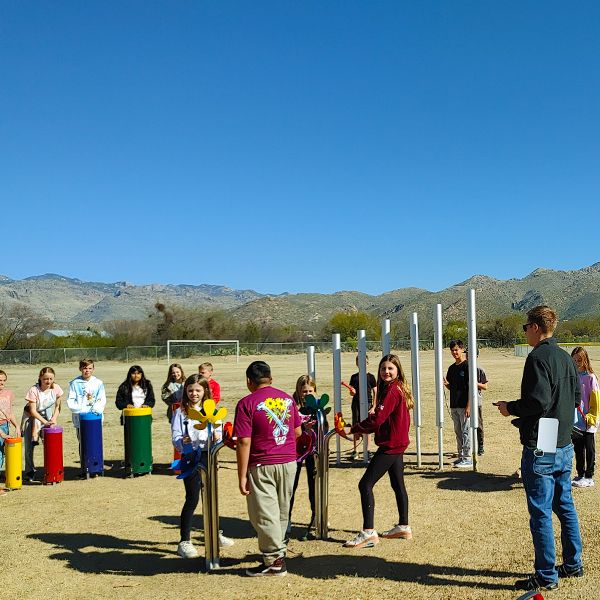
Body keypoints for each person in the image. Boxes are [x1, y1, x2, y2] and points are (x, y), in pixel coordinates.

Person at [496, 306, 583, 592]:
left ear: (534, 327)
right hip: (564, 440)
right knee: (565, 505)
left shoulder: (537, 358)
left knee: (541, 511)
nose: (525, 332)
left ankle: (546, 575)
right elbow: (576, 398)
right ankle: (573, 563)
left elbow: (538, 401)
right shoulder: (566, 358)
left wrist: (511, 409)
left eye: (525, 327)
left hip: (543, 441)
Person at [234, 361, 302, 576]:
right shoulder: (287, 399)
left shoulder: (247, 403)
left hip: (262, 463)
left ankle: (274, 559)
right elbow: (298, 431)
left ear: (249, 382)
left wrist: (242, 474)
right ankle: (277, 553)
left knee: (263, 513)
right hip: (289, 462)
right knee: (281, 511)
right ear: (270, 379)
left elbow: (243, 441)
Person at [342, 354, 413, 549]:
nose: (386, 372)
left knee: (365, 484)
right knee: (398, 484)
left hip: (391, 445)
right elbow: (382, 418)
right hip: (396, 442)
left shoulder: (392, 390)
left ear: (398, 370)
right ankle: (403, 526)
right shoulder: (394, 388)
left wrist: (353, 428)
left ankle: (368, 532)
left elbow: (377, 419)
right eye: (383, 369)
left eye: (390, 368)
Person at [171, 374, 233, 559]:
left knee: (211, 496)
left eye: (198, 390)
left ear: (205, 391)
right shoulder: (180, 412)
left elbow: (219, 431)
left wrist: (217, 437)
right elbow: (175, 438)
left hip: (209, 457)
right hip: (190, 458)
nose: (194, 393)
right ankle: (184, 541)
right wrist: (183, 442)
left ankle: (213, 533)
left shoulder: (213, 411)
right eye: (190, 390)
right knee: (192, 498)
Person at [288, 375, 317, 540]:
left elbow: (323, 426)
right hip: (296, 452)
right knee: (291, 485)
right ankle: (286, 519)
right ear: (299, 391)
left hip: (313, 451)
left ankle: (316, 517)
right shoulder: (292, 406)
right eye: (304, 391)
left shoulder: (317, 407)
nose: (307, 394)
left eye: (310, 391)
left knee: (314, 485)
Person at [22, 367, 63, 482]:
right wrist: (45, 422)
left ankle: (50, 470)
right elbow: (33, 411)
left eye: (51, 379)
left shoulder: (56, 388)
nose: (48, 381)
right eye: (45, 379)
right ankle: (29, 472)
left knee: (50, 445)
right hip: (32, 418)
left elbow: (58, 406)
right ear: (40, 378)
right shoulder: (34, 390)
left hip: (49, 418)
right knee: (29, 447)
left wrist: (53, 419)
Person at [66, 359, 107, 465]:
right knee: (83, 441)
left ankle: (96, 465)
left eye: (90, 368)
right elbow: (71, 401)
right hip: (81, 419)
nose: (87, 370)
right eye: (84, 368)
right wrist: (82, 411)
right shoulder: (74, 383)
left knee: (95, 441)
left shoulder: (98, 383)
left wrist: (94, 411)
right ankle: (85, 466)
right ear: (80, 369)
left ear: (93, 369)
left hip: (95, 418)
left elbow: (101, 399)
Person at [570, 346, 599, 488]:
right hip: (576, 420)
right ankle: (580, 474)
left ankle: (589, 476)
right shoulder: (573, 376)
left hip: (588, 420)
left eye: (579, 360)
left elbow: (595, 401)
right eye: (574, 360)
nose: (576, 363)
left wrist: (591, 416)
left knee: (589, 448)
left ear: (585, 360)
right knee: (578, 449)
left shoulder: (591, 377)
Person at [444, 340, 472, 467]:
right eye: (452, 350)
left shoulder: (467, 366)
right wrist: (446, 385)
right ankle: (460, 456)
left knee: (466, 431)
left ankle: (467, 457)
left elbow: (471, 388)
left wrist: (469, 406)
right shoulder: (451, 368)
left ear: (462, 349)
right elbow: (452, 386)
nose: (454, 352)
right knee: (458, 431)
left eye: (456, 349)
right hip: (454, 405)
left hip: (464, 406)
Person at [348, 355, 377, 460]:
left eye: (364, 361)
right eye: (359, 361)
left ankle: (367, 450)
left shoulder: (371, 377)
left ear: (368, 363)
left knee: (367, 428)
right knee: (356, 427)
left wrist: (373, 407)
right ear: (356, 363)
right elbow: (352, 393)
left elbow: (375, 392)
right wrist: (352, 392)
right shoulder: (354, 377)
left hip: (368, 404)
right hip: (356, 404)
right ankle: (355, 450)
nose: (362, 363)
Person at [465, 348, 489, 456]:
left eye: (470, 354)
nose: (467, 356)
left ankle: (480, 446)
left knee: (478, 424)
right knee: (465, 425)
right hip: (463, 401)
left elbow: (485, 386)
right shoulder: (464, 367)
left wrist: (475, 383)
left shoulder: (479, 369)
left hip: (476, 401)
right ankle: (467, 446)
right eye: (467, 354)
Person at [0, 370, 20, 491]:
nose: (1, 383)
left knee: (3, 453)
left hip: (5, 425)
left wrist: (16, 425)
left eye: (3, 380)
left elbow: (9, 412)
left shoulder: (8, 394)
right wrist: (1, 433)